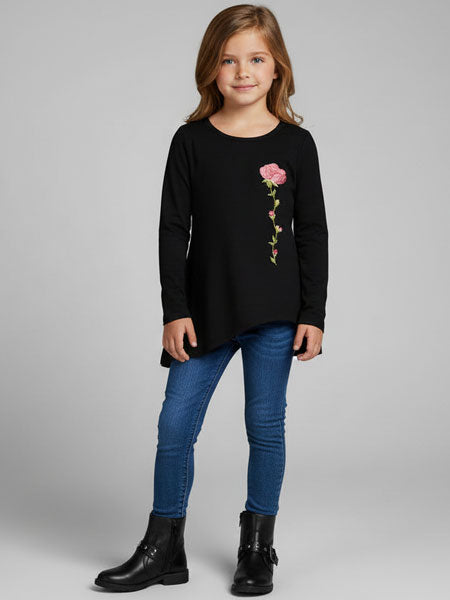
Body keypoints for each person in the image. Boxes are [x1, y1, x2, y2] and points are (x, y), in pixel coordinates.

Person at [95, 4, 328, 595]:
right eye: (228, 60)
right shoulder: (191, 141)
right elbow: (173, 229)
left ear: (277, 69)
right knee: (175, 426)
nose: (243, 71)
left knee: (265, 427)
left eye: (256, 59)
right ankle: (163, 547)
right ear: (210, 69)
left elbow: (312, 233)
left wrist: (313, 314)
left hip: (275, 314)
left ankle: (258, 548)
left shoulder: (297, 145)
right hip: (203, 313)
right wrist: (174, 309)